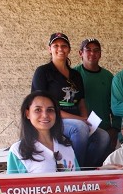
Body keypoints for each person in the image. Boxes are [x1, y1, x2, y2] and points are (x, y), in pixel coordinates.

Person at [31, 32, 110, 169]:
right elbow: (41, 105)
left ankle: (87, 169)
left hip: (76, 119)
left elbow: (81, 101)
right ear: (50, 49)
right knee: (79, 128)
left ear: (69, 49)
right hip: (53, 120)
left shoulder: (75, 74)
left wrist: (85, 117)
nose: (60, 49)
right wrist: (79, 120)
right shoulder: (43, 72)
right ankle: (74, 170)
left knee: (103, 136)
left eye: (64, 46)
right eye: (56, 45)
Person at [74, 38, 120, 153]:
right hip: (78, 131)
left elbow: (115, 104)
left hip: (104, 131)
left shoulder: (108, 77)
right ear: (81, 53)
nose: (92, 53)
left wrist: (114, 129)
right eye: (88, 50)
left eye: (96, 50)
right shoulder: (73, 75)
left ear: (100, 54)